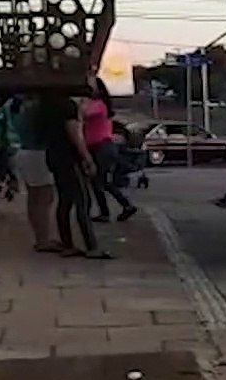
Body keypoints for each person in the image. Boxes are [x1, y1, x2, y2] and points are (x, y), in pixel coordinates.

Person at [36, 89, 111, 260]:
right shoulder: (68, 106)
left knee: (64, 200)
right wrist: (87, 158)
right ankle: (91, 246)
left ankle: (67, 243)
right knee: (83, 200)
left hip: (54, 156)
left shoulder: (46, 106)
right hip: (69, 158)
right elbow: (75, 134)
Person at [8, 95, 62, 252]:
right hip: (39, 154)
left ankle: (40, 237)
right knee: (45, 198)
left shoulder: (19, 108)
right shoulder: (38, 109)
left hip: (24, 151)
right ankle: (43, 239)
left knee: (33, 197)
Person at [82, 74, 136, 223]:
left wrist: (81, 102)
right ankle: (121, 207)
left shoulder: (98, 105)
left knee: (98, 180)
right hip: (100, 146)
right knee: (101, 181)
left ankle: (111, 210)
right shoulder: (99, 104)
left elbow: (83, 113)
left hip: (101, 146)